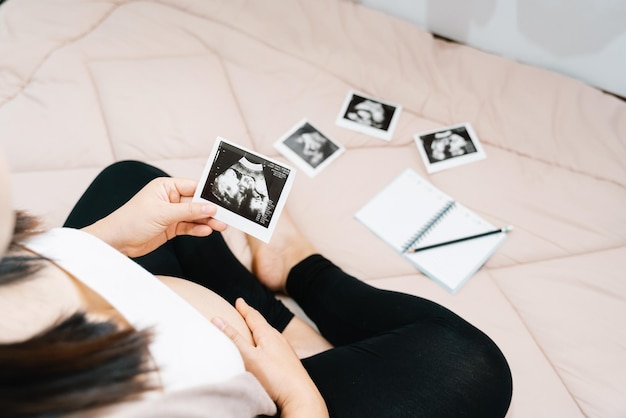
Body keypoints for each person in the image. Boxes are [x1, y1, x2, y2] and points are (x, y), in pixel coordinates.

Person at [0, 156, 513, 417]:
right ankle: (300, 271)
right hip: (259, 386)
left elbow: (39, 271)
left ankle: (275, 314)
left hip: (151, 299)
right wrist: (294, 390)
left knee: (130, 178)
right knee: (469, 366)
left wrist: (101, 240)